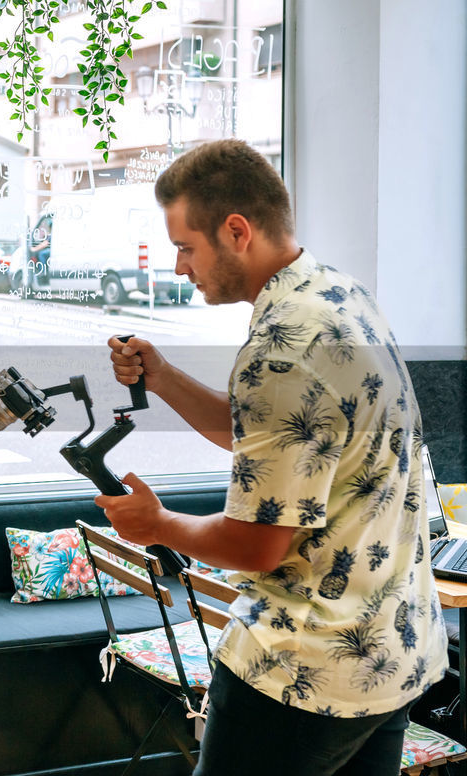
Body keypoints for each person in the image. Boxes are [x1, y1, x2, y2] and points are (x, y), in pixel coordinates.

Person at [96, 139, 447, 775]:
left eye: (186, 247)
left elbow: (259, 545)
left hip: (300, 671)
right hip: (391, 653)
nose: (180, 268)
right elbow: (268, 442)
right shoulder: (339, 297)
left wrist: (157, 525)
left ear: (236, 231)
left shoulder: (282, 353)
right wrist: (164, 375)